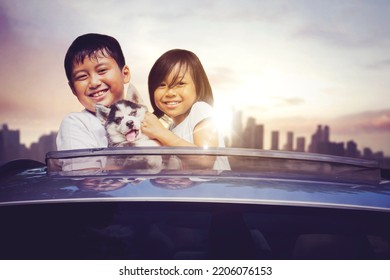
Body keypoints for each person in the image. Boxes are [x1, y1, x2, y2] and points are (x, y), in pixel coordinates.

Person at [141, 49, 230, 170]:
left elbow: (205, 159)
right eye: (161, 85)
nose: (170, 92)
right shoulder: (172, 128)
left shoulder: (201, 109)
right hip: (192, 189)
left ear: (198, 87)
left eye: (180, 83)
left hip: (214, 188)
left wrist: (160, 132)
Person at [56, 33, 133, 151]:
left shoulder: (143, 118)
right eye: (82, 76)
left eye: (102, 70)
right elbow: (83, 169)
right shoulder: (76, 124)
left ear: (125, 74)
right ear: (73, 89)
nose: (94, 83)